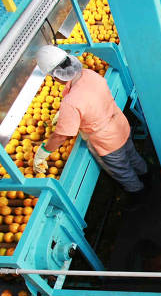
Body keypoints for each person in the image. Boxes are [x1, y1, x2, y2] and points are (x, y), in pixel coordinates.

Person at [33, 45, 148, 199]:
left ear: (57, 76)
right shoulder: (88, 74)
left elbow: (61, 135)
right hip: (120, 124)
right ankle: (147, 175)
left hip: (107, 142)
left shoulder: (71, 102)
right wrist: (65, 112)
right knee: (131, 154)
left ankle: (139, 194)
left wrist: (43, 152)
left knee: (122, 170)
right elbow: (89, 100)